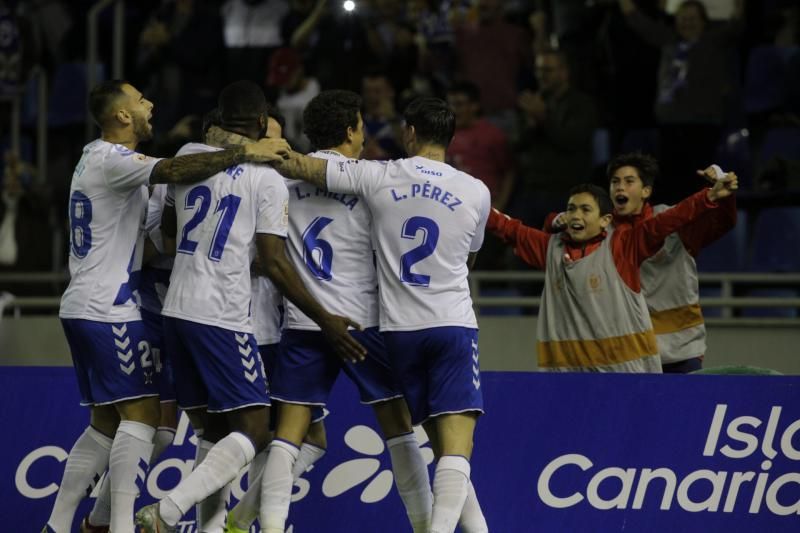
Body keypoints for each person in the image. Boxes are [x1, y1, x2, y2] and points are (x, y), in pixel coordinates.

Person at [43, 79, 289, 533]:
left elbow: (161, 231)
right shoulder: (122, 162)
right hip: (112, 305)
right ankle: (126, 525)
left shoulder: (94, 158)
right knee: (143, 418)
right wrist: (245, 153)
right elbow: (175, 174)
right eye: (139, 100)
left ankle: (64, 524)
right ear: (121, 115)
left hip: (91, 302)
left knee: (105, 423)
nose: (149, 104)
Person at [134, 79, 365, 532]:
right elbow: (276, 265)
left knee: (213, 434)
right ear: (262, 123)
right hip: (222, 315)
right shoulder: (267, 180)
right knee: (256, 430)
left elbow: (168, 232)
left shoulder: (187, 158)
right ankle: (166, 512)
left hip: (176, 310)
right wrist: (327, 320)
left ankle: (210, 529)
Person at [270, 96, 491, 533]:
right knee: (449, 447)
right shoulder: (476, 190)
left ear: (409, 132)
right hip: (428, 323)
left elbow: (304, 168)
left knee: (290, 435)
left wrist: (254, 149)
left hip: (389, 329)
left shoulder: (378, 175)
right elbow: (470, 257)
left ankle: (261, 523)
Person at [229, 90, 438, 533]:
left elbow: (263, 253)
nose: (363, 135)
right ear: (349, 130)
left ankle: (265, 527)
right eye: (361, 126)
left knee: (288, 436)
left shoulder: (281, 182)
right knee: (399, 430)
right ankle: (424, 526)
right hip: (364, 321)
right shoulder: (370, 180)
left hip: (306, 320)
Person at [488, 174, 738, 373]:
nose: (576, 215)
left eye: (585, 210)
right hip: (566, 380)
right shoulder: (550, 248)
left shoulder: (624, 246)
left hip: (628, 378)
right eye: (572, 208)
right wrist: (470, 203)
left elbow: (667, 221)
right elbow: (507, 228)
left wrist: (709, 196)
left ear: (606, 220)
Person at [605, 153, 737, 372]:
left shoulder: (673, 219)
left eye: (629, 182)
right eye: (615, 182)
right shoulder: (603, 231)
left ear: (646, 191)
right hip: (628, 352)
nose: (620, 188)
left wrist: (725, 197)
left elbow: (722, 222)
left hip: (681, 349)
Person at [513, 47, 597, 228]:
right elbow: (517, 144)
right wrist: (530, 124)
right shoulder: (537, 101)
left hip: (564, 192)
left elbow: (573, 140)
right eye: (538, 70)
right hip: (533, 190)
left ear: (564, 72)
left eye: (548, 70)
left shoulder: (580, 104)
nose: (541, 76)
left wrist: (543, 117)